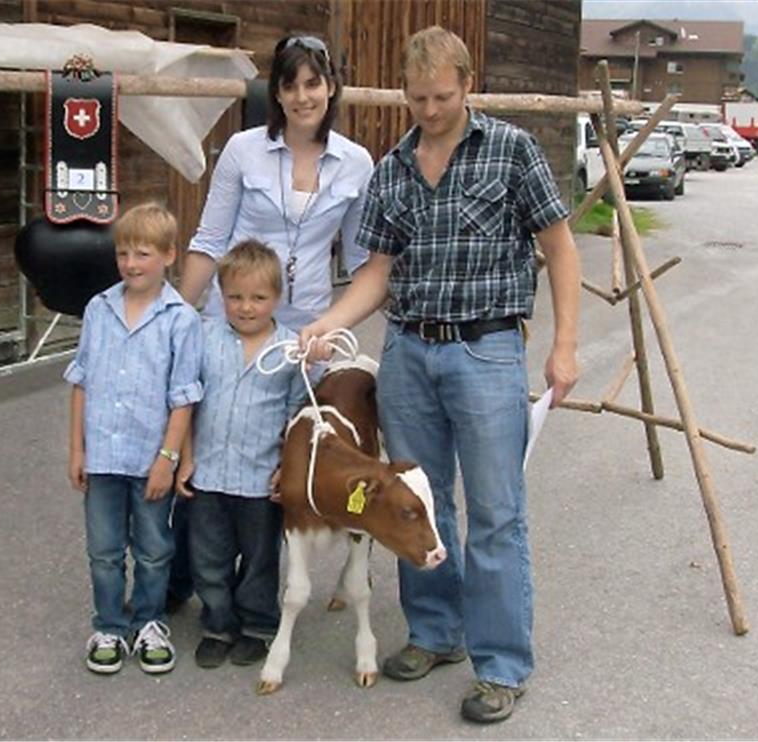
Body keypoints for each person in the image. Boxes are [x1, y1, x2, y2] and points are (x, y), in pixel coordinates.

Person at [300, 26, 580, 724]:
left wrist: (565, 344)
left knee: (494, 514)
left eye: (442, 97)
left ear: (468, 82)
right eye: (418, 97)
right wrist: (332, 323)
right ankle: (433, 633)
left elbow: (560, 246)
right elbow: (379, 271)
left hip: (486, 353)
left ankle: (502, 666)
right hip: (409, 354)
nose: (429, 109)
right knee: (417, 500)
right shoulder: (392, 168)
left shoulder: (512, 152)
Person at [166, 33, 375, 611]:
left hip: (303, 336)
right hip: (231, 321)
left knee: (278, 460)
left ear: (331, 87)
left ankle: (257, 597)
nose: (303, 96)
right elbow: (209, 241)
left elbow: (361, 264)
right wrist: (179, 319)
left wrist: (331, 327)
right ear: (276, 93)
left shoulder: (357, 164)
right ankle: (186, 576)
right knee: (209, 449)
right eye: (290, 85)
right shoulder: (242, 151)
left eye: (313, 83)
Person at [65, 202, 203, 676]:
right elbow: (81, 381)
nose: (130, 263)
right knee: (103, 548)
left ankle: (148, 621)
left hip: (149, 460)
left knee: (153, 547)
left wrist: (169, 457)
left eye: (142, 253)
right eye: (123, 252)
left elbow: (184, 396)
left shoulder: (180, 319)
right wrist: (77, 449)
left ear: (169, 255)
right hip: (103, 455)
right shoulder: (98, 309)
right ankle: (108, 624)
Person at [175, 240, 307, 669]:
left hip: (259, 477)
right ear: (220, 294)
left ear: (277, 298)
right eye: (234, 297)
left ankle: (257, 626)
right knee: (208, 557)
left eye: (258, 298)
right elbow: (187, 401)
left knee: (259, 559)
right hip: (208, 473)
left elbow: (296, 414)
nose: (246, 307)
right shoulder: (203, 336)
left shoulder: (290, 349)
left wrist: (287, 467)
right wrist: (185, 457)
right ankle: (218, 625)